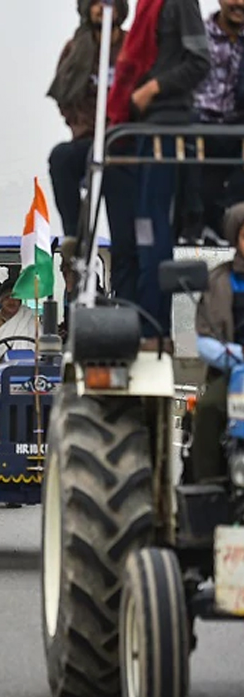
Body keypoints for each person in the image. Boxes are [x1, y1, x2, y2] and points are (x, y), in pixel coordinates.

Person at [103, 0, 210, 351]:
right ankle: (147, 326)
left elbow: (199, 60)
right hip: (147, 131)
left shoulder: (179, 3)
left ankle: (155, 330)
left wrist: (153, 89)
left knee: (156, 238)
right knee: (144, 235)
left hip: (171, 128)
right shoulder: (149, 8)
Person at [48, 0, 129, 237]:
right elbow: (65, 95)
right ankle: (74, 236)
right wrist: (82, 123)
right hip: (89, 138)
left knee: (122, 213)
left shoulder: (132, 45)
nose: (101, 8)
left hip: (125, 141)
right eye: (95, 2)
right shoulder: (75, 49)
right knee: (61, 158)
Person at [179, 0, 244, 246]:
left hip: (237, 126)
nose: (238, 3)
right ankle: (193, 224)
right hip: (198, 121)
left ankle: (229, 224)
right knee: (189, 131)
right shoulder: (199, 34)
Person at [190, 202, 244, 481]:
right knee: (209, 407)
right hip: (231, 372)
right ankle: (206, 486)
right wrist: (234, 357)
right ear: (236, 238)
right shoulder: (218, 280)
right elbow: (205, 337)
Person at [0, 280, 40, 363]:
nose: (11, 301)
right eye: (7, 298)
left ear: (20, 301)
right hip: (0, 365)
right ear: (1, 301)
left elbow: (42, 343)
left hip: (32, 365)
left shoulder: (29, 319)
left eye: (15, 298)